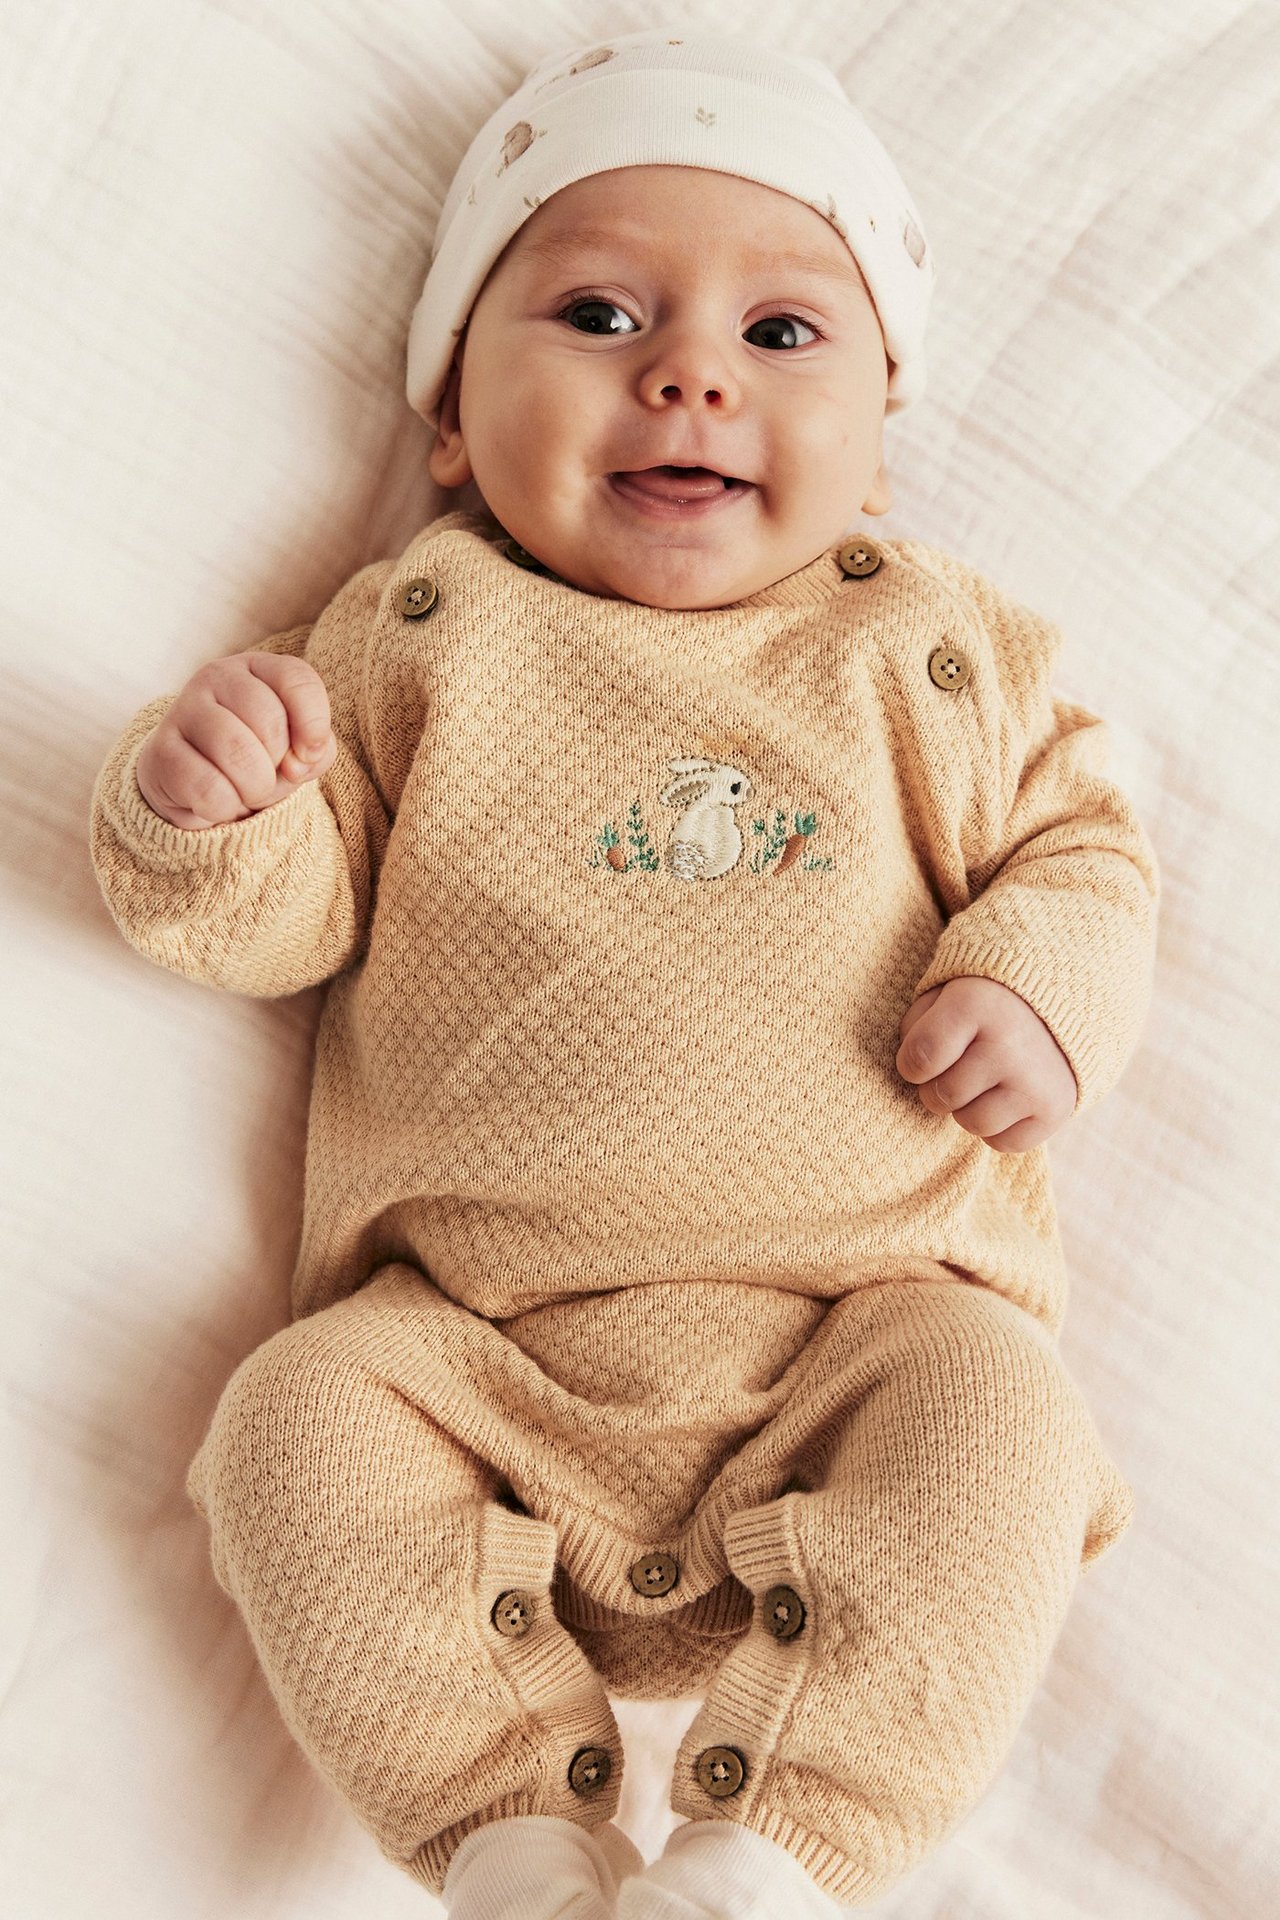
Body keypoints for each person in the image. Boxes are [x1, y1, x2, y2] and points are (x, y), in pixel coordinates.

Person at [88, 29, 1160, 1920]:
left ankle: (776, 1857)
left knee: (1007, 1421)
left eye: (784, 335)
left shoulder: (935, 648)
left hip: (862, 1335)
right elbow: (282, 921)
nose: (686, 370)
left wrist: (1041, 983)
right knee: (285, 1428)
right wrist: (213, 810)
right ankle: (515, 1839)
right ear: (445, 420)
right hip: (473, 1366)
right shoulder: (414, 638)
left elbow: (1087, 841)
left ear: (885, 435)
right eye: (594, 311)